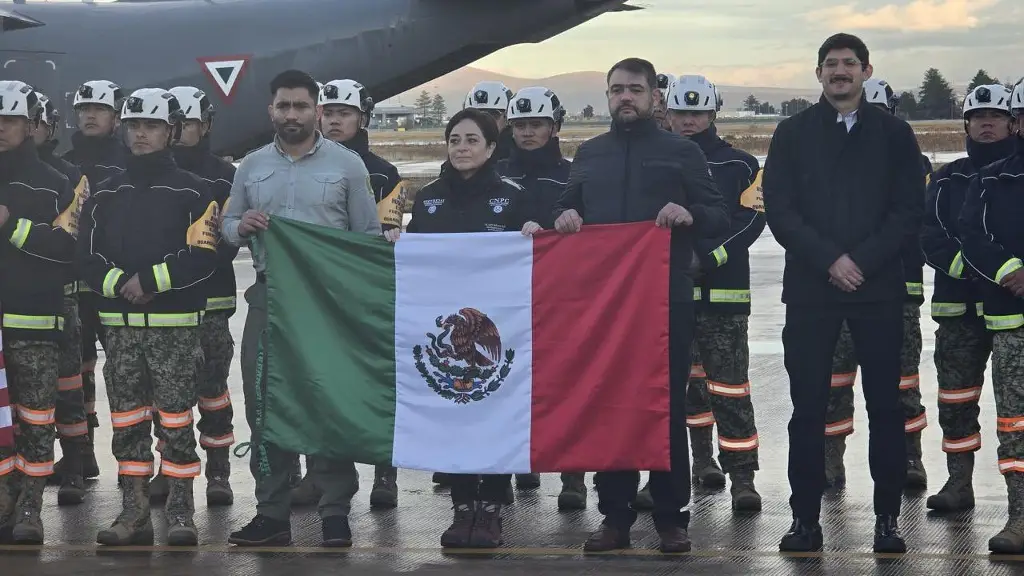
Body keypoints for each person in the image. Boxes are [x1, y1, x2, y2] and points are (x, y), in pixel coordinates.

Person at [552, 57, 728, 554]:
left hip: (663, 299)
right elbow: (565, 205)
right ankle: (614, 518)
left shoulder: (681, 152)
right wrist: (564, 213)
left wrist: (688, 212)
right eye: (616, 90)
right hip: (603, 304)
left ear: (655, 97)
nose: (624, 97)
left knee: (663, 405)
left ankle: (672, 518)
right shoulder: (589, 152)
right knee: (609, 405)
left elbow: (718, 213)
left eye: (634, 89)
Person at [761, 33, 925, 554]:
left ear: (866, 71)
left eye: (849, 64)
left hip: (877, 290)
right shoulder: (791, 133)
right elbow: (780, 209)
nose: (840, 72)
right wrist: (830, 259)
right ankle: (804, 520)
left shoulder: (896, 134)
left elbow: (906, 211)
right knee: (808, 409)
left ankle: (887, 520)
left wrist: (863, 261)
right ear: (818, 74)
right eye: (830, 64)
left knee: (885, 407)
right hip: (813, 288)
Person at [222, 69, 380, 549]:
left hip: (327, 303)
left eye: (301, 106)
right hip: (270, 298)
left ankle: (335, 512)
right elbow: (227, 225)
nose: (292, 114)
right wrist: (241, 226)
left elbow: (368, 240)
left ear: (316, 110)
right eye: (283, 106)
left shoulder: (348, 166)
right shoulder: (250, 167)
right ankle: (272, 512)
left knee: (326, 401)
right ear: (271, 110)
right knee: (264, 404)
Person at [78, 87, 217, 546]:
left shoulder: (196, 192)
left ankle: (180, 512)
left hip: (173, 330)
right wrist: (119, 283)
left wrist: (152, 280)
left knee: (177, 422)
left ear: (171, 132)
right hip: (118, 332)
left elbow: (203, 255)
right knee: (126, 424)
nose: (141, 133)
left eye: (152, 126)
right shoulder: (105, 191)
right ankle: (133, 512)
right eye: (135, 124)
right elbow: (86, 255)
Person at [401, 107, 530, 548]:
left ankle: (492, 508)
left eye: (472, 139)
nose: (462, 147)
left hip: (499, 326)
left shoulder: (514, 197)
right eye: (454, 139)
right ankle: (461, 508)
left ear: (492, 147)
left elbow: (533, 259)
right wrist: (397, 243)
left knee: (494, 412)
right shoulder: (429, 197)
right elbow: (414, 256)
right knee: (453, 411)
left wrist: (536, 232)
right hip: (442, 323)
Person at [822, 77, 933, 490]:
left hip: (896, 291)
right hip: (838, 289)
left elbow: (909, 222)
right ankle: (830, 462)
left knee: (902, 382)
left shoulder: (911, 163)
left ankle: (910, 459)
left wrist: (863, 260)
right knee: (833, 383)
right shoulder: (832, 160)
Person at [662, 74, 765, 511]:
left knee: (731, 389)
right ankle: (697, 464)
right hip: (668, 294)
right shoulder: (656, 161)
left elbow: (753, 220)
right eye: (682, 113)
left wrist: (708, 258)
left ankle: (742, 477)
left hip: (723, 296)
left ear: (713, 113)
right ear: (667, 113)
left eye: (698, 112)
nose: (689, 121)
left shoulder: (740, 164)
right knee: (678, 390)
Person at [309, 77, 406, 509]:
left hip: (367, 295)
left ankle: (386, 473)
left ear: (362, 118)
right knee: (323, 387)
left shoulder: (386, 173)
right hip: (318, 296)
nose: (333, 121)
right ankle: (322, 474)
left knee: (375, 384)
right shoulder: (306, 166)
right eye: (328, 113)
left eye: (343, 113)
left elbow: (389, 233)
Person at [922, 83, 1016, 513]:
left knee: (1016, 406)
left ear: (1010, 122)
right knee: (956, 398)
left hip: (1012, 308)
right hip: (958, 309)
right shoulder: (946, 180)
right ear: (966, 124)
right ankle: (958, 481)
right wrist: (976, 272)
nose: (987, 123)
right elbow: (930, 236)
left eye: (995, 116)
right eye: (978, 117)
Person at [495, 86, 586, 509]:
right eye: (520, 125)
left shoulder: (574, 174)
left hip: (561, 297)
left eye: (536, 125)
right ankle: (516, 465)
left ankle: (573, 477)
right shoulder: (492, 173)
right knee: (508, 383)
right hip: (507, 300)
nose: (528, 132)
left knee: (570, 385)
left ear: (555, 127)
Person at [151, 85, 237, 507]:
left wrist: (192, 265)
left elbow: (229, 238)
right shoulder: (150, 176)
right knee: (164, 395)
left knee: (213, 389)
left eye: (190, 123)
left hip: (212, 302)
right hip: (165, 302)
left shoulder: (225, 175)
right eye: (177, 123)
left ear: (204, 125)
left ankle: (219, 472)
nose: (183, 130)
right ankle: (167, 469)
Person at [0, 80, 77, 545]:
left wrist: (14, 226)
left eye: (8, 120)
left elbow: (69, 249)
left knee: (34, 417)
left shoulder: (55, 184)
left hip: (33, 319)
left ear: (31, 126)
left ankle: (29, 506)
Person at [958, 78, 1024, 554]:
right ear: (1018, 123)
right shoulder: (993, 180)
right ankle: (1020, 517)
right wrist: (1011, 271)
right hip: (1012, 320)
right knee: (1016, 423)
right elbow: (974, 237)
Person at [61, 79, 129, 483]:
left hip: (115, 285)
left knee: (124, 375)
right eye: (84, 109)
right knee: (76, 375)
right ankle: (81, 457)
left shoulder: (127, 163)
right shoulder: (64, 164)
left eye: (99, 110)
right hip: (76, 288)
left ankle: (132, 464)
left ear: (115, 117)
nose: (90, 115)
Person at [30, 91, 92, 505]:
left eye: (35, 122)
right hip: (13, 302)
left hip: (61, 300)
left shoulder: (68, 177)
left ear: (50, 126)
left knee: (68, 389)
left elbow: (73, 241)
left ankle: (75, 466)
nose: (26, 130)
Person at [464, 80, 516, 163]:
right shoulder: (459, 153)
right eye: (474, 116)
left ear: (507, 118)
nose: (483, 122)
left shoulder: (519, 157)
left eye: (493, 115)